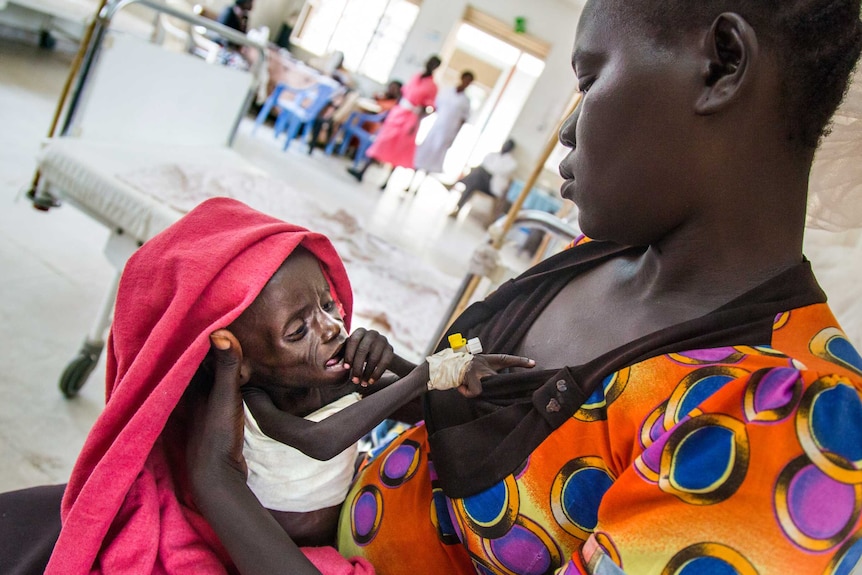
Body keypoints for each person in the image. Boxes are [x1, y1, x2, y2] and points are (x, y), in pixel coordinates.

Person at [188, 0, 862, 574]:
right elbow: (455, 405)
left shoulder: (793, 419)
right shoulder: (594, 256)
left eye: (591, 79)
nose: (566, 128)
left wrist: (216, 485)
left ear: (721, 63)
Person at [0, 197, 533, 574]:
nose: (330, 327)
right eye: (298, 329)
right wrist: (422, 372)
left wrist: (388, 358)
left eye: (328, 304)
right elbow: (325, 439)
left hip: (329, 526)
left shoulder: (327, 370)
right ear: (244, 361)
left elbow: (420, 411)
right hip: (281, 541)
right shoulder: (250, 402)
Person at [347, 56, 441, 187]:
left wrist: (418, 121)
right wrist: (391, 111)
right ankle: (362, 171)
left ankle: (386, 181)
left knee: (399, 150)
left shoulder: (432, 86)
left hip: (411, 120)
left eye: (434, 64)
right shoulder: (416, 76)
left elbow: (430, 108)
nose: (431, 65)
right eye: (430, 62)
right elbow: (402, 94)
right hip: (398, 113)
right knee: (381, 143)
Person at [409, 70, 474, 190]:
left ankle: (418, 187)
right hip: (436, 127)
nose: (466, 83)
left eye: (469, 82)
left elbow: (463, 121)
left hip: (448, 132)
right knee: (424, 153)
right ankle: (411, 182)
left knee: (434, 158)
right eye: (465, 79)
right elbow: (435, 107)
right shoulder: (447, 92)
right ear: (461, 78)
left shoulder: (466, 101)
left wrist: (454, 138)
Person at [448, 138, 518, 218]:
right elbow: (485, 164)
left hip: (491, 187)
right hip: (480, 182)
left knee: (479, 171)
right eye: (505, 144)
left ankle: (457, 183)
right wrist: (488, 169)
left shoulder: (512, 163)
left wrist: (487, 169)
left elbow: (496, 171)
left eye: (508, 146)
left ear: (511, 149)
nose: (505, 147)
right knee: (474, 182)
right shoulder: (492, 154)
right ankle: (458, 209)